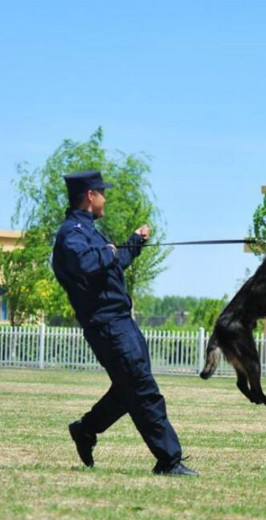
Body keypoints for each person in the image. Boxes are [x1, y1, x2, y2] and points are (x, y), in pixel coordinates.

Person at [52, 170, 197, 476]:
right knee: (142, 388)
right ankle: (168, 460)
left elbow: (113, 263)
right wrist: (108, 252)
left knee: (128, 387)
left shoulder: (90, 232)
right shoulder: (71, 233)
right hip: (106, 324)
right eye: (102, 192)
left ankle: (86, 429)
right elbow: (85, 263)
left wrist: (134, 242)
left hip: (121, 321)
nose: (105, 198)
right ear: (91, 196)